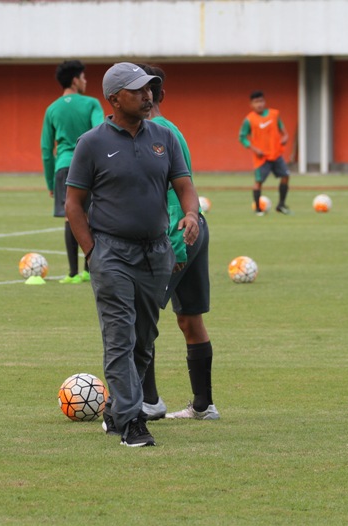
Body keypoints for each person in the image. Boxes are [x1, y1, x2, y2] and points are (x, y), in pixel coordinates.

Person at [65, 62, 200, 447]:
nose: (148, 95)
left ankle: (115, 411)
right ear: (113, 98)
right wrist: (93, 252)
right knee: (120, 338)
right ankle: (132, 422)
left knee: (144, 341)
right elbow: (74, 204)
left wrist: (190, 214)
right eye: (138, 90)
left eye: (150, 89)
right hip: (112, 253)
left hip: (156, 253)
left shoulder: (164, 137)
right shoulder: (92, 142)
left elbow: (184, 186)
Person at [135, 64, 219, 422]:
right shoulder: (173, 130)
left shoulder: (154, 134)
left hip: (176, 239)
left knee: (140, 317)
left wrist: (177, 248)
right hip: (197, 227)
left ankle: (149, 401)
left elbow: (173, 195)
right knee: (189, 318)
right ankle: (203, 406)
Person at [40, 60, 104, 283]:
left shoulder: (52, 109)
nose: (86, 81)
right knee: (92, 216)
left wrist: (50, 183)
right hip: (88, 166)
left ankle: (72, 273)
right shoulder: (92, 104)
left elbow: (47, 149)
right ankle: (90, 269)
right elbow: (100, 132)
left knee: (71, 217)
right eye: (84, 77)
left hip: (63, 167)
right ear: (75, 80)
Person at [238, 90, 292, 215]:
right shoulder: (249, 120)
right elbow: (242, 137)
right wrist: (254, 149)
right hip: (261, 157)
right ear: (251, 104)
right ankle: (258, 208)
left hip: (276, 154)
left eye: (261, 101)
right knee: (259, 182)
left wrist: (285, 137)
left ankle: (281, 205)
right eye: (256, 102)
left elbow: (283, 130)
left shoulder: (274, 114)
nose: (259, 104)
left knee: (286, 176)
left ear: (264, 101)